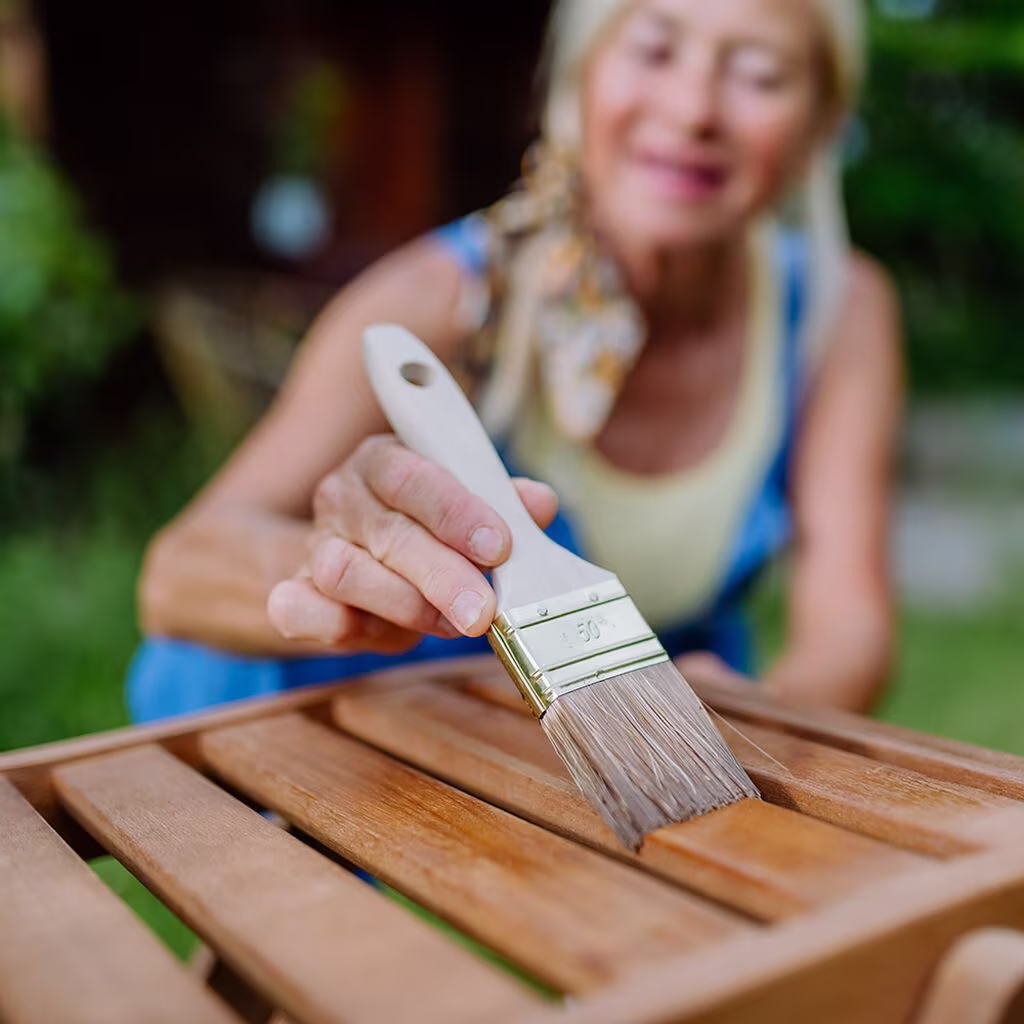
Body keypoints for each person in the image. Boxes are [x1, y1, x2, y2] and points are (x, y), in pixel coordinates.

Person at [131, 0, 903, 722]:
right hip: (387, 735)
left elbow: (851, 626)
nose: (694, 109)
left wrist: (755, 712)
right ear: (579, 77)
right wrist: (333, 565)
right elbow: (174, 575)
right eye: (653, 50)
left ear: (821, 123)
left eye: (758, 74)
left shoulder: (836, 311)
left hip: (639, 743)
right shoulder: (436, 300)